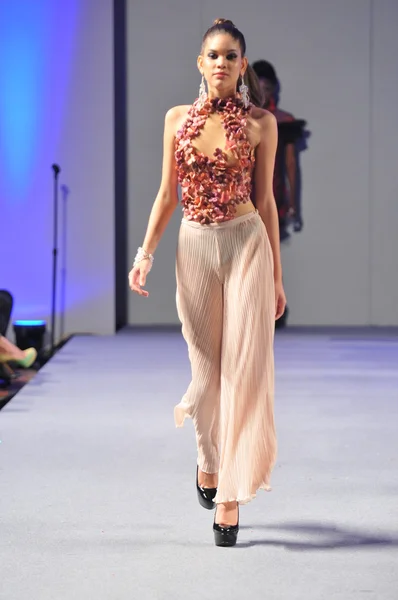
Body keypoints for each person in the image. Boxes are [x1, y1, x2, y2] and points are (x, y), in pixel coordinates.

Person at [129, 18, 286, 547]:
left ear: (243, 65)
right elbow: (167, 195)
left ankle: (230, 498)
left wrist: (278, 280)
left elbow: (267, 203)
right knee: (208, 370)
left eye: (231, 55)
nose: (222, 62)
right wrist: (144, 254)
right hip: (194, 245)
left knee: (241, 370)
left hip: (246, 244)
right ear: (200, 63)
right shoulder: (177, 120)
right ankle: (208, 458)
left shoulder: (262, 123)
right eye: (213, 54)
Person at [252, 59, 302, 238]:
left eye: (266, 89)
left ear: (273, 89)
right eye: (258, 89)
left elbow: (290, 163)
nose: (262, 95)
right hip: (241, 197)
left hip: (272, 194)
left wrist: (293, 204)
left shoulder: (283, 121)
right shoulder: (237, 118)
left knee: (267, 254)